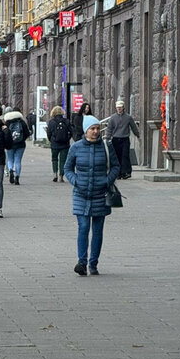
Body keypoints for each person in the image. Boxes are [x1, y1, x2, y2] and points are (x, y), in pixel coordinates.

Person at [64, 115, 119, 276]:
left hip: (100, 194)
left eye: (97, 128)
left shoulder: (107, 147)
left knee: (97, 230)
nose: (95, 131)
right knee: (83, 227)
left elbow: (116, 167)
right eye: (92, 129)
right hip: (81, 193)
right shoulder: (76, 147)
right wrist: (76, 181)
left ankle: (93, 263)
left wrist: (106, 181)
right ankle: (81, 262)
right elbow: (67, 168)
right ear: (85, 130)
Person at [105, 100, 139, 179]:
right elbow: (109, 128)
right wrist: (108, 137)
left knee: (125, 156)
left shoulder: (128, 117)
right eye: (117, 108)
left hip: (125, 139)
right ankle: (118, 173)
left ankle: (126, 172)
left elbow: (133, 127)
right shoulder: (113, 118)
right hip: (116, 139)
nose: (119, 109)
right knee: (116, 157)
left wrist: (137, 134)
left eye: (120, 108)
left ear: (123, 108)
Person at [3, 107, 31, 185]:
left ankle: (11, 169)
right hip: (20, 144)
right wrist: (22, 139)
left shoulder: (7, 122)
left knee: (10, 160)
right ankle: (17, 176)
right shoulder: (22, 122)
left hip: (10, 144)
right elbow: (27, 133)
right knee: (18, 160)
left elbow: (4, 133)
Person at [47, 106, 73, 182]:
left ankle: (55, 173)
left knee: (54, 159)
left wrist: (51, 140)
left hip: (54, 143)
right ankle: (61, 176)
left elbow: (49, 133)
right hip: (65, 144)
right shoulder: (66, 121)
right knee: (63, 160)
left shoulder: (51, 122)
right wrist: (67, 139)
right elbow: (71, 132)